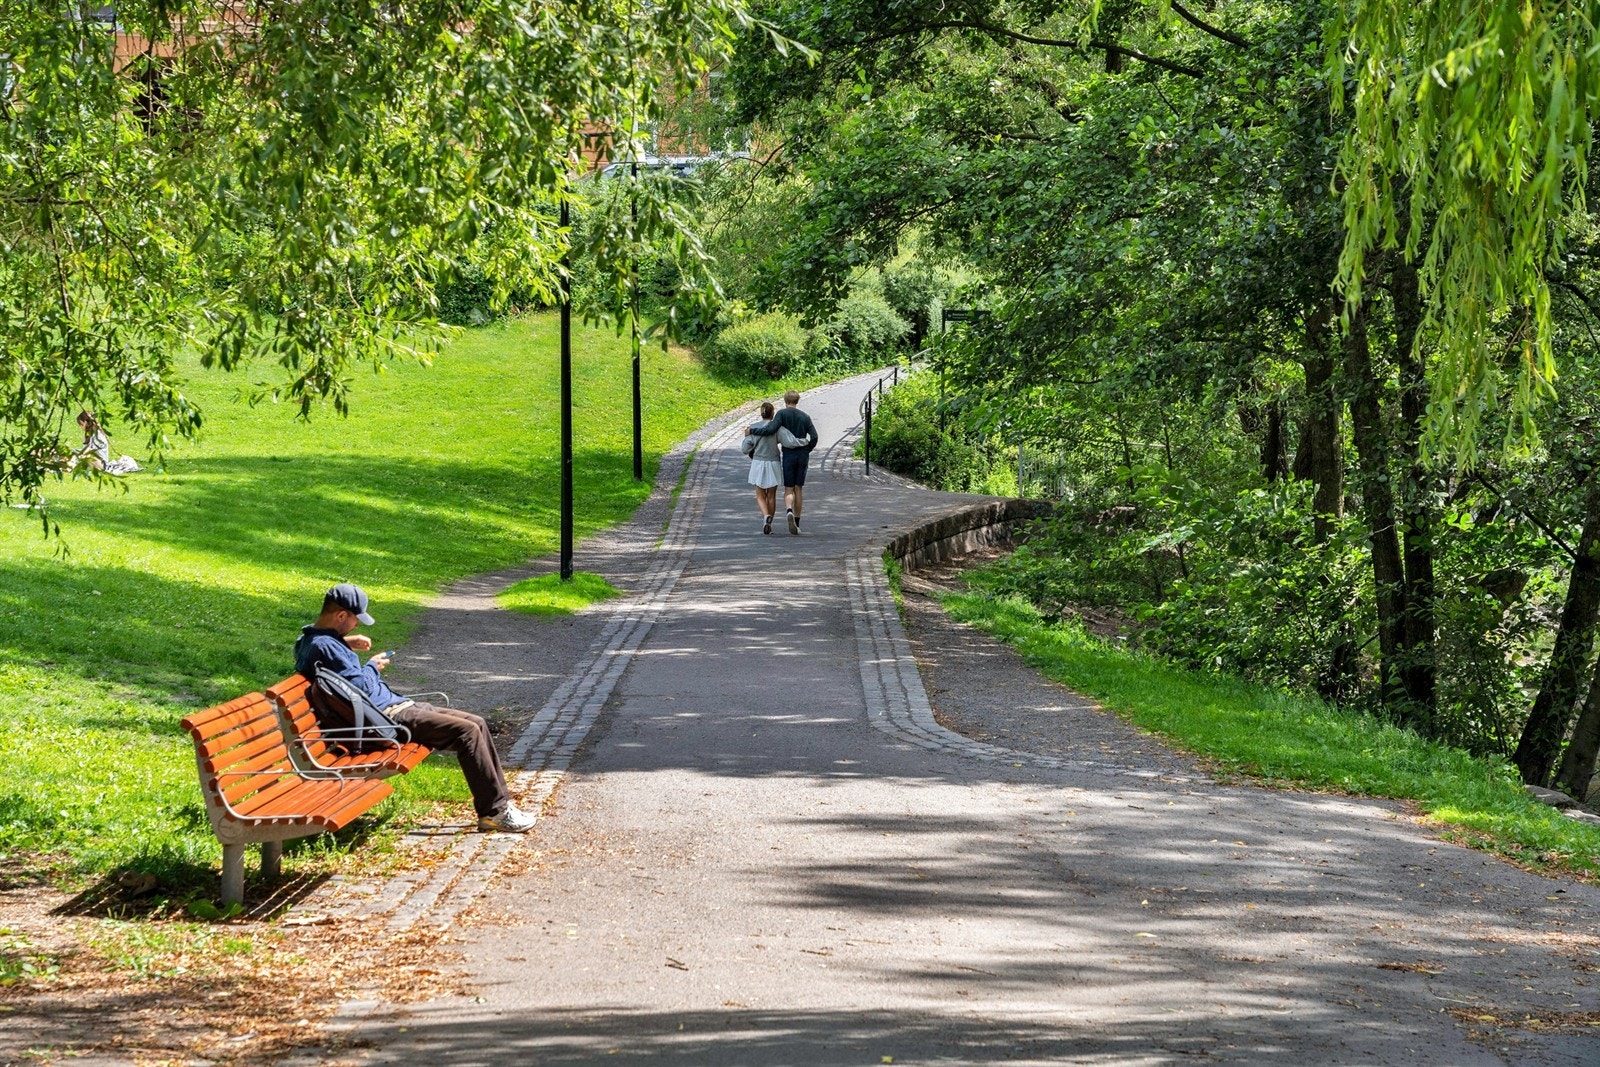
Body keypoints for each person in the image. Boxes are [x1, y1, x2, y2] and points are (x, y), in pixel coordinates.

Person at [293, 583, 537, 833]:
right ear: (341, 615)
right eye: (356, 620)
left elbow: (315, 646)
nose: (358, 625)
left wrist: (343, 641)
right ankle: (494, 813)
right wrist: (371, 666)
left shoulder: (312, 639)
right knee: (467, 732)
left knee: (478, 723)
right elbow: (361, 690)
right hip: (387, 719)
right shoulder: (325, 646)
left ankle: (501, 807)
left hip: (395, 708)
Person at [747, 389, 817, 534]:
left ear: (785, 401)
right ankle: (796, 522)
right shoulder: (805, 417)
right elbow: (814, 437)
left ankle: (788, 510)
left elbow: (770, 429)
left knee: (789, 488)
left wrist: (753, 431)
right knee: (799, 488)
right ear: (797, 401)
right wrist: (807, 449)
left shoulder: (782, 414)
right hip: (802, 454)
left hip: (789, 454)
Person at [742, 401, 784, 534]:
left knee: (760, 495)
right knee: (771, 495)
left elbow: (744, 449)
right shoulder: (776, 427)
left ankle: (765, 517)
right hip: (773, 462)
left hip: (758, 463)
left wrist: (747, 437)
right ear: (773, 414)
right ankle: (770, 522)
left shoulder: (753, 428)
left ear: (761, 413)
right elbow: (785, 440)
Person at [72, 411, 142, 475]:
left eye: (81, 424)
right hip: (94, 461)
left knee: (83, 456)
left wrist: (78, 451)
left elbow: (88, 452)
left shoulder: (98, 435)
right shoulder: (91, 435)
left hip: (101, 464)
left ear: (86, 422)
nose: (81, 427)